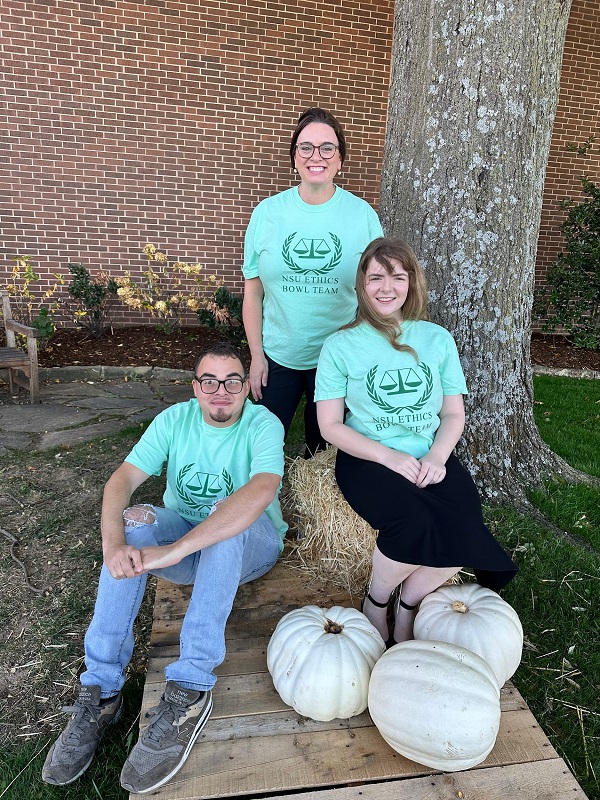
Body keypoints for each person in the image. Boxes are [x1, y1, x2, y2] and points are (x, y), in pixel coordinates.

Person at [42, 340, 287, 794]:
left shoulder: (263, 424)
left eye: (232, 381)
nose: (221, 391)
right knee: (135, 525)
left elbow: (261, 492)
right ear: (195, 388)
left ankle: (190, 688)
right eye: (209, 382)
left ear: (245, 387)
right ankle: (102, 690)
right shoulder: (174, 420)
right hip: (185, 538)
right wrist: (114, 543)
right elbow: (122, 481)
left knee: (226, 520)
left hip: (250, 546)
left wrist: (173, 552)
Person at [315, 238, 517, 645]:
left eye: (397, 277)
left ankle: (409, 602)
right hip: (368, 458)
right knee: (412, 521)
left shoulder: (436, 339)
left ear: (411, 284)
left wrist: (439, 457)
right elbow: (331, 426)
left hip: (428, 455)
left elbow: (453, 414)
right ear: (362, 285)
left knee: (465, 527)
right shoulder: (340, 345)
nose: (386, 287)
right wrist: (389, 457)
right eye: (375, 277)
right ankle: (376, 599)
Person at [242, 107, 383, 456]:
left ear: (340, 159)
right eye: (305, 147)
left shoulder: (362, 216)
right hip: (278, 353)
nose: (315, 156)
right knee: (259, 443)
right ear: (294, 158)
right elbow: (253, 292)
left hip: (338, 356)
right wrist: (256, 356)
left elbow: (377, 292)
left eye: (326, 148)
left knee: (324, 451)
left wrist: (367, 352)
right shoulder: (266, 214)